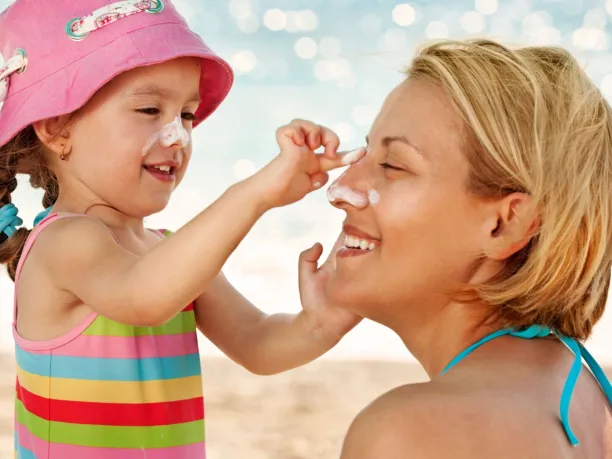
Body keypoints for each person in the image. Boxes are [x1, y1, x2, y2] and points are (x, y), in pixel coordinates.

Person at [0, 1, 364, 458]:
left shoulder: (168, 254)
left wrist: (322, 320)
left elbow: (258, 344)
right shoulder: (62, 242)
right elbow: (145, 297)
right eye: (150, 109)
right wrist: (254, 193)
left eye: (187, 114)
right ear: (56, 127)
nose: (177, 137)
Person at [323, 39, 612, 458]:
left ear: (506, 224)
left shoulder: (411, 433)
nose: (341, 189)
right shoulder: (586, 395)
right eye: (363, 155)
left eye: (393, 165)